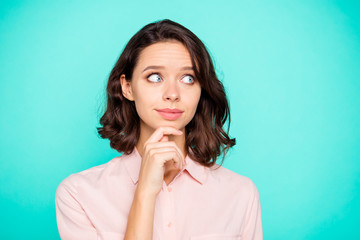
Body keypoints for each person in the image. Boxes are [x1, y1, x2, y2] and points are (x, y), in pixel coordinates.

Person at [55, 19, 263, 240]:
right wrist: (144, 192)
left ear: (201, 90)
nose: (172, 93)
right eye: (155, 77)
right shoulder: (78, 194)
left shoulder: (241, 193)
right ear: (127, 88)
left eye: (188, 78)